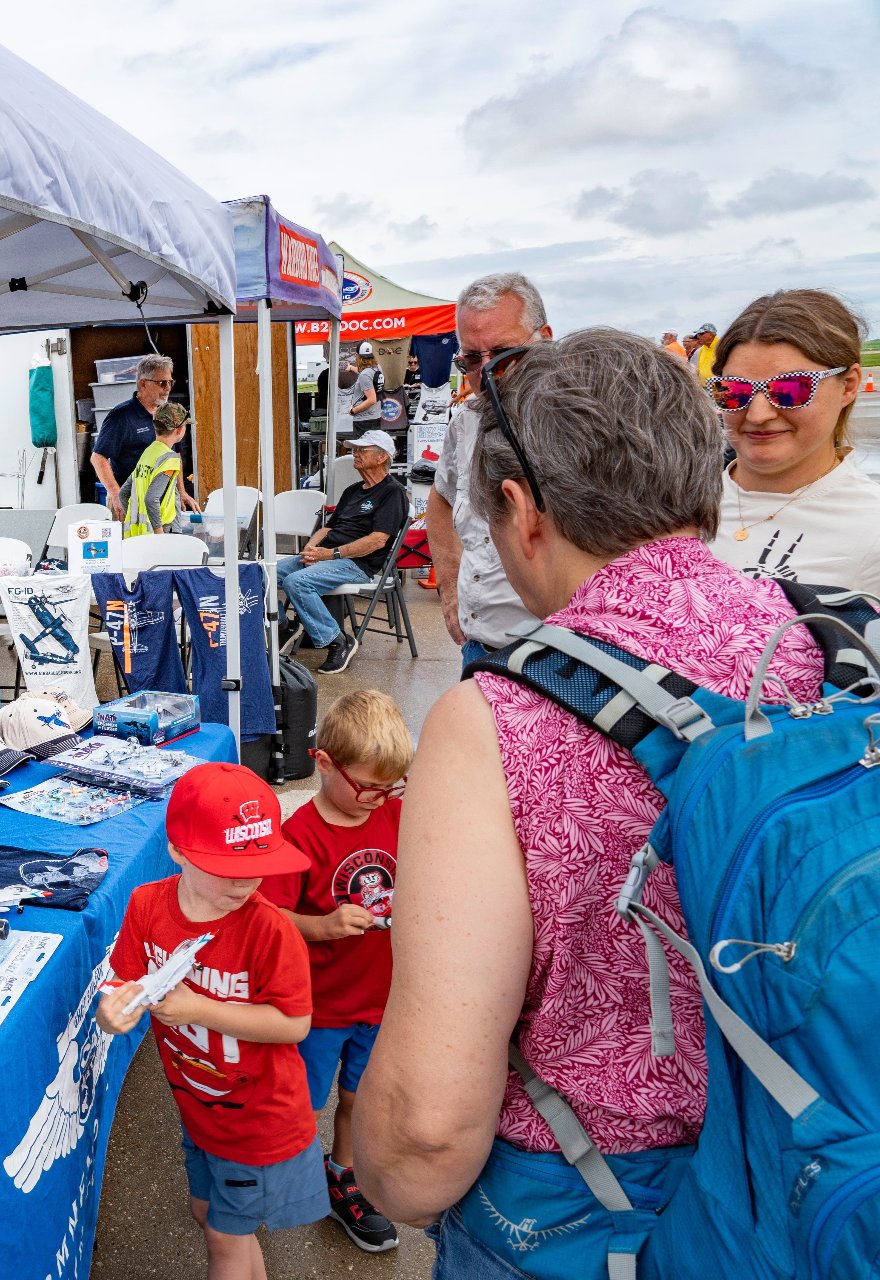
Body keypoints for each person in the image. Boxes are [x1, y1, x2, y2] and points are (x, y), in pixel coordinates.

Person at [354, 329, 826, 1275]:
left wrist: (380, 1174)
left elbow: (428, 1136)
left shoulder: (496, 719)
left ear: (522, 511)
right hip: (818, 1169)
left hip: (588, 1205)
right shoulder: (831, 637)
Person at [96, 763, 326, 1280]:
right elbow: (123, 982)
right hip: (199, 1109)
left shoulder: (269, 930)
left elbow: (294, 1024)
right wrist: (114, 1013)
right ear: (177, 850)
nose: (246, 881)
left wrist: (197, 1008)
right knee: (210, 1217)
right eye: (227, 866)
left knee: (226, 1238)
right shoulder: (146, 904)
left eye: (259, 863)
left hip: (258, 1121)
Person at [259, 690, 411, 1255]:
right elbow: (268, 914)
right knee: (303, 1100)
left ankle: (344, 1175)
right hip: (320, 1006)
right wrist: (321, 927)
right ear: (324, 762)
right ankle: (270, 1175)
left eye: (390, 786)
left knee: (362, 1099)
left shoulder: (397, 810)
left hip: (383, 999)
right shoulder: (298, 835)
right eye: (369, 786)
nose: (378, 800)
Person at [703, 289, 879, 594]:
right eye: (735, 391)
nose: (758, 415)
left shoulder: (871, 526)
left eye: (790, 389)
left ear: (848, 385)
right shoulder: (676, 505)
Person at [423, 272, 554, 668]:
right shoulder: (465, 422)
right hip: (479, 649)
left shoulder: (578, 426)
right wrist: (448, 587)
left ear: (544, 339)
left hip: (560, 656)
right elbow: (441, 499)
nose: (489, 370)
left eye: (504, 353)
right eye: (471, 359)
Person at [276, 428, 409, 675]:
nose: (354, 453)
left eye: (362, 450)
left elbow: (378, 541)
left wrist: (329, 554)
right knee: (263, 573)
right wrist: (311, 547)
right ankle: (285, 626)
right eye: (355, 449)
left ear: (382, 458)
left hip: (357, 563)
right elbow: (328, 528)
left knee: (297, 582)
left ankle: (339, 641)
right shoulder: (353, 490)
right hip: (326, 556)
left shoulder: (393, 493)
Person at [91, 354, 172, 521]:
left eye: (170, 382)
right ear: (143, 383)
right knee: (127, 546)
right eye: (162, 383)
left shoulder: (167, 414)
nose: (168, 388)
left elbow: (172, 456)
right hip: (128, 499)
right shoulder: (120, 416)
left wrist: (182, 492)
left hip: (159, 500)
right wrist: (115, 493)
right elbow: (98, 457)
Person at [121, 401, 201, 536]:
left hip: (139, 534)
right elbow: (151, 498)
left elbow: (123, 493)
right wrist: (159, 534)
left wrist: (135, 520)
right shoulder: (169, 459)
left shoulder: (148, 453)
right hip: (162, 532)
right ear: (179, 430)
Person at [346, 345, 382, 428]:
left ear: (358, 356)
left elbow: (372, 399)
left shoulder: (365, 374)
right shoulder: (377, 368)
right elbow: (364, 372)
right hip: (375, 416)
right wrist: (351, 368)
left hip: (364, 420)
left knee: (361, 441)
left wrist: (353, 411)